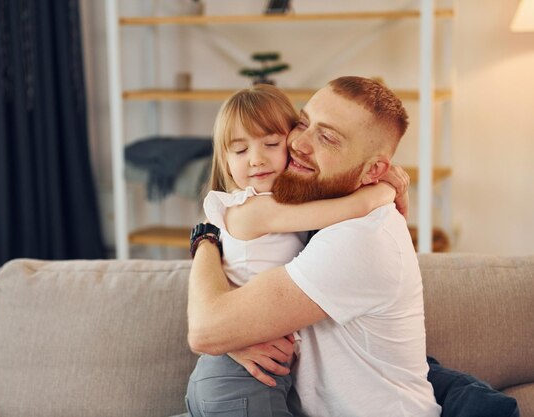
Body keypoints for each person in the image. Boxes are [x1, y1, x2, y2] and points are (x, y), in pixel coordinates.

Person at [187, 76, 441, 417]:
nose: (299, 144)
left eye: (327, 138)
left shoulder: (359, 238)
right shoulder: (308, 207)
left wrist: (207, 240)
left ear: (373, 169)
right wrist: (207, 236)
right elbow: (214, 327)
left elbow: (207, 330)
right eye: (303, 123)